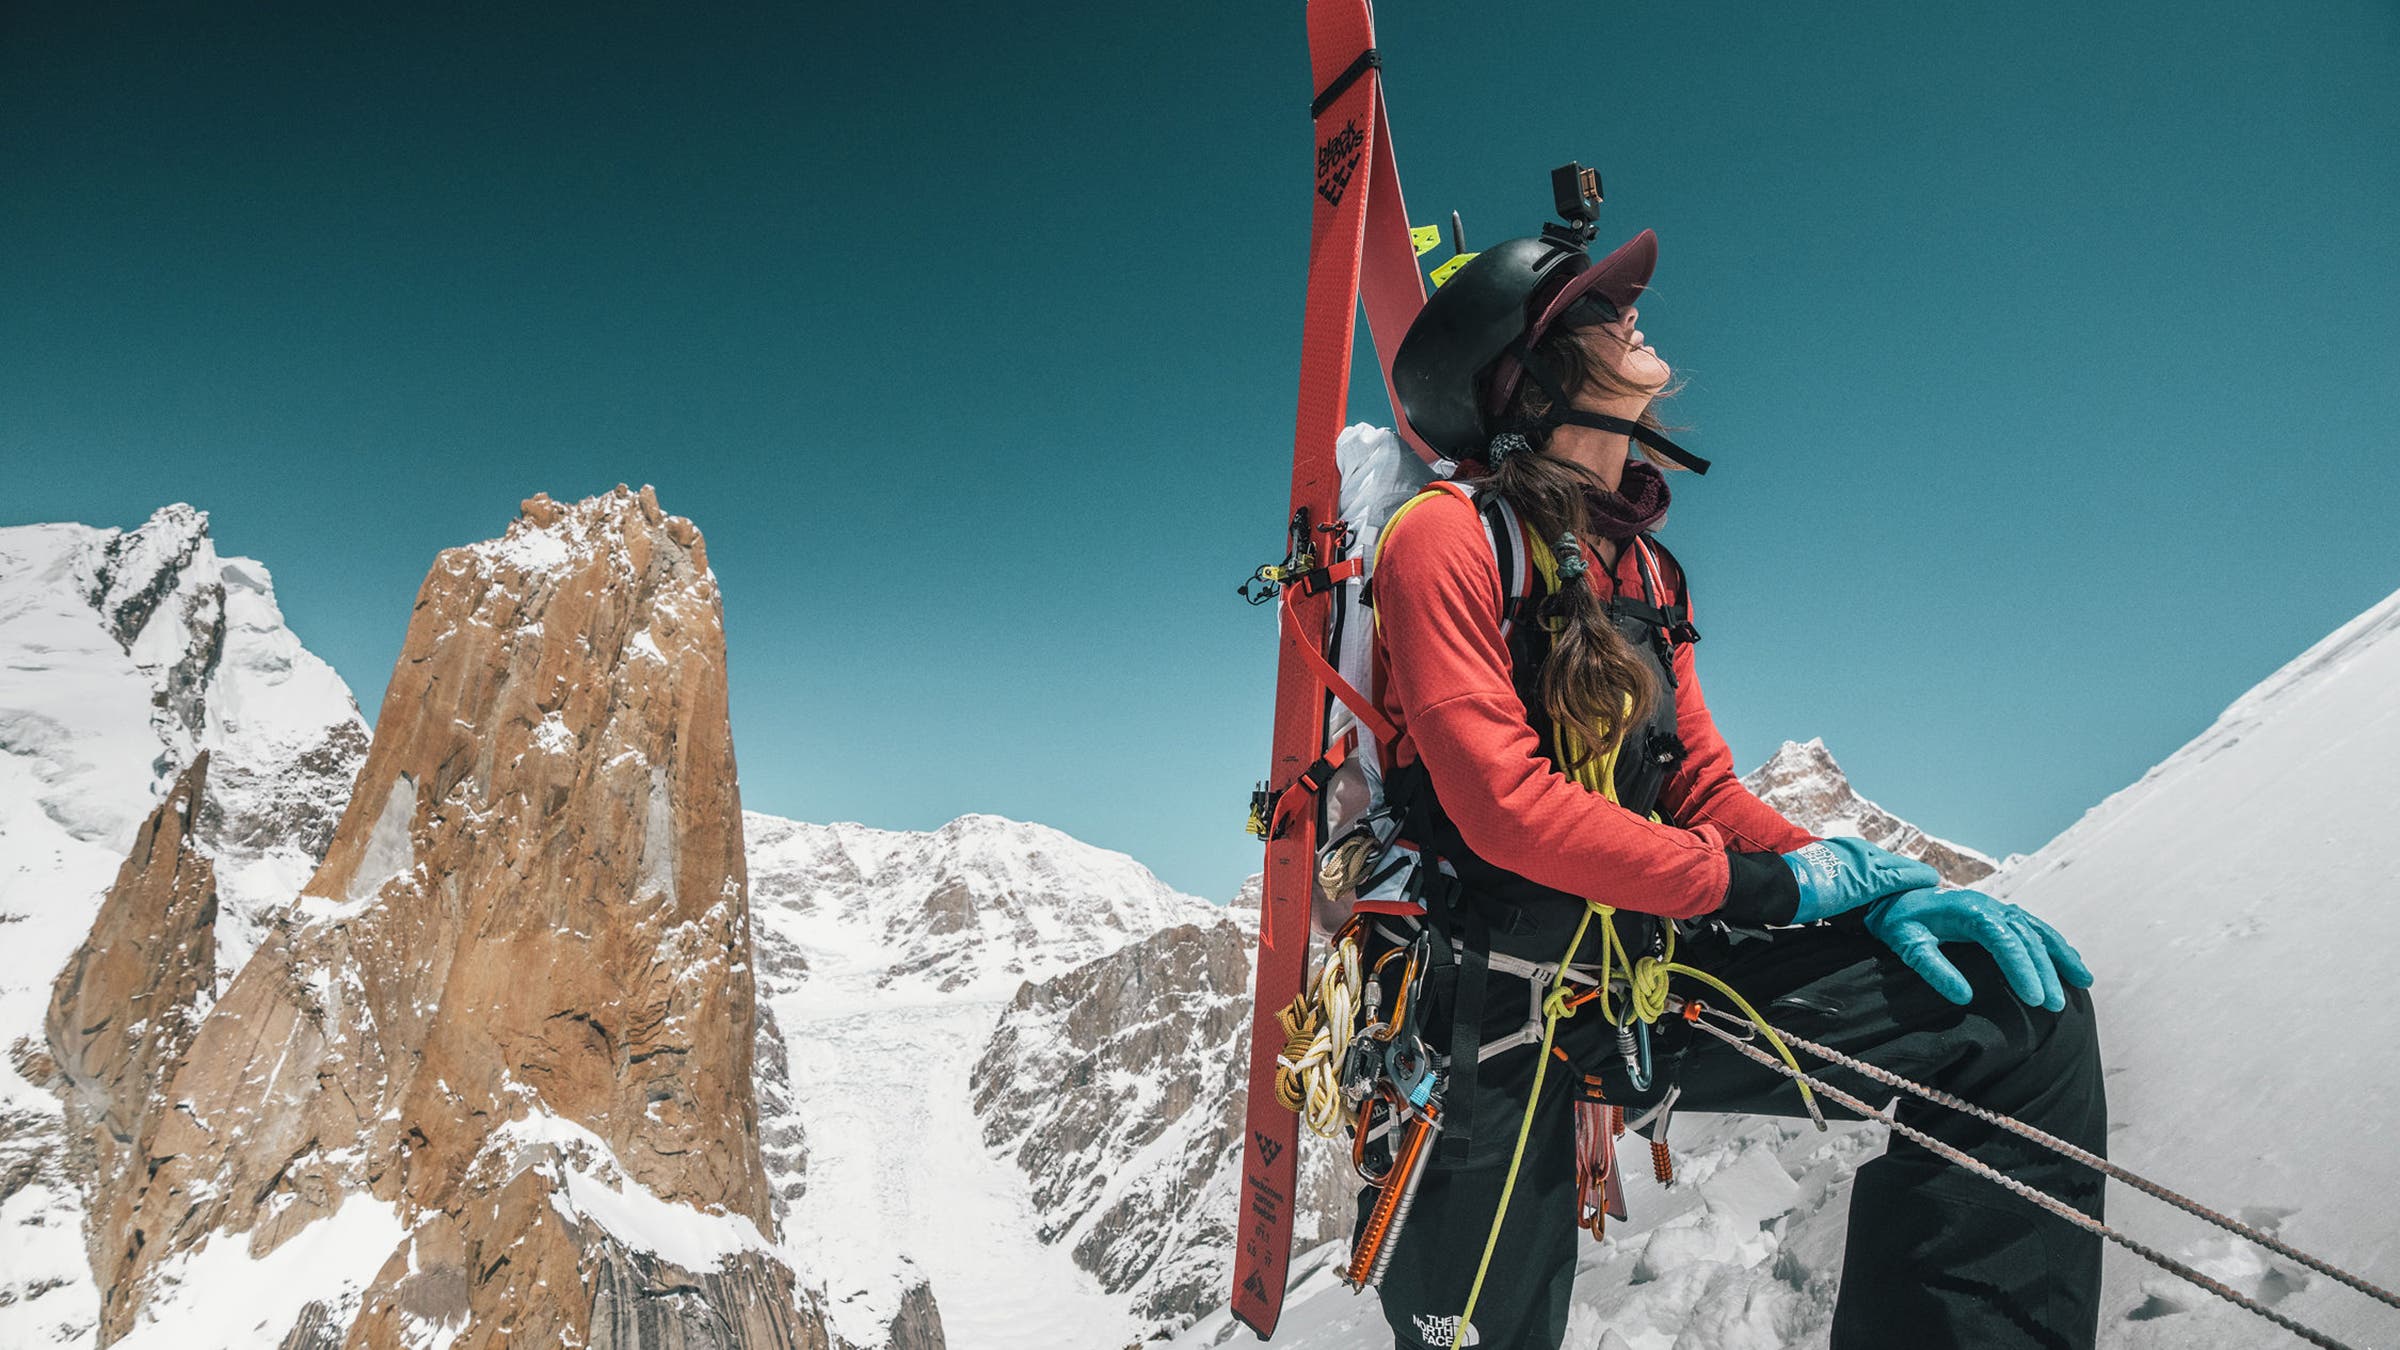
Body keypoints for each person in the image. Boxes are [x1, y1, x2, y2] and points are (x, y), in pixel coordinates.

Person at [1353, 215, 2106, 1350]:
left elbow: (1696, 782)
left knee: (2018, 1023)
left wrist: (1848, 880)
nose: (1633, 314)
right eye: (1598, 311)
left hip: (1638, 972)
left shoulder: (1647, 569)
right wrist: (1765, 889)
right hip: (1493, 1003)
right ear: (1532, 377)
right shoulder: (1444, 539)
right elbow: (1502, 807)